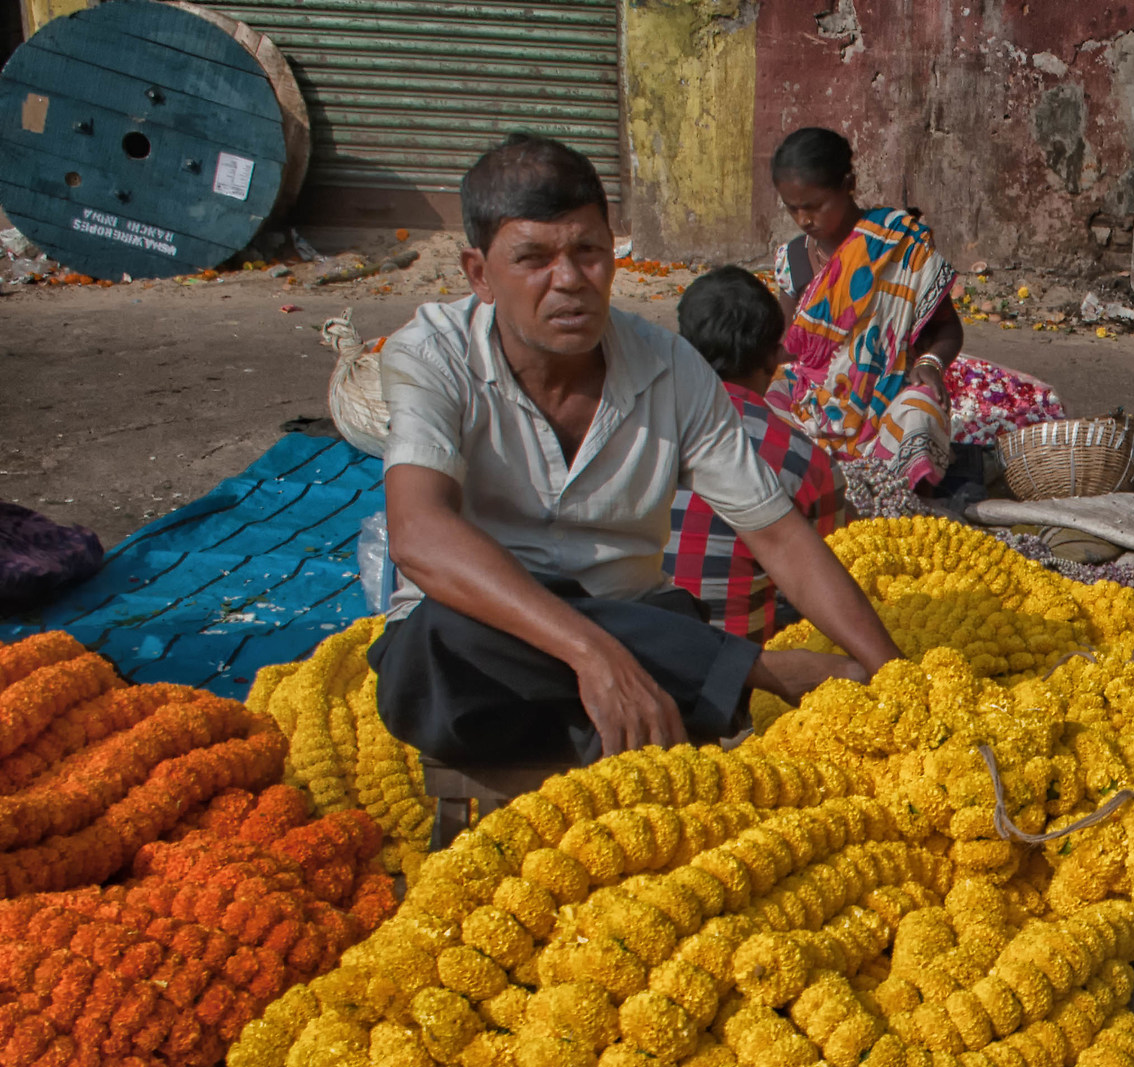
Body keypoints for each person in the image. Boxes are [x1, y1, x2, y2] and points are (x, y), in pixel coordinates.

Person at [373, 135, 901, 767]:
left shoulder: (671, 368)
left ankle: (639, 702)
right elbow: (419, 534)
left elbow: (779, 535)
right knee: (436, 638)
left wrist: (895, 676)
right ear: (480, 274)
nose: (569, 281)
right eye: (533, 259)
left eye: (589, 252)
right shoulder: (431, 352)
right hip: (485, 643)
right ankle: (753, 673)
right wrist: (594, 653)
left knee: (665, 632)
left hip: (634, 621)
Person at [765, 127, 1064, 513]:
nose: (804, 219)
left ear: (848, 185)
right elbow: (789, 348)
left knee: (920, 412)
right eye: (793, 208)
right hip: (816, 410)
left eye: (815, 205)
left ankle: (907, 503)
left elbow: (947, 329)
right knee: (763, 401)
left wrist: (929, 364)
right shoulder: (792, 260)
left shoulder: (900, 245)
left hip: (887, 400)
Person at [665, 265, 844, 640]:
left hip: (627, 659)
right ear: (772, 359)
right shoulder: (804, 461)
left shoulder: (643, 426)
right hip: (740, 676)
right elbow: (839, 570)